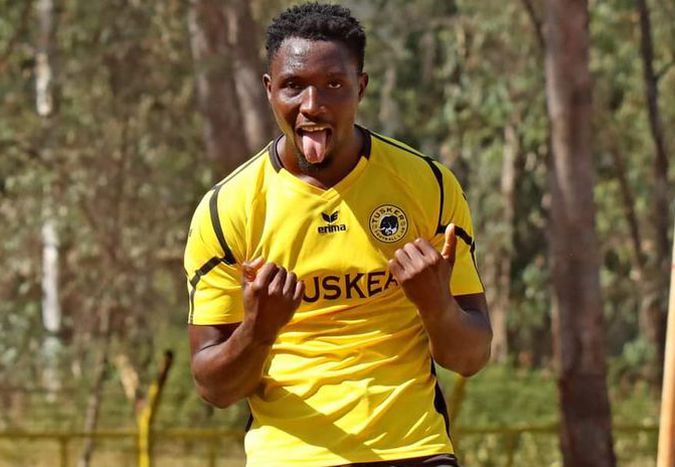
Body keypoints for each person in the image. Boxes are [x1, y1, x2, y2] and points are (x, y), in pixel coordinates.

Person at [184, 3, 492, 466]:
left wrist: (437, 305)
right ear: (269, 90)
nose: (312, 105)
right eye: (293, 86)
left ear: (360, 87)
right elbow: (215, 389)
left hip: (414, 450)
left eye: (333, 85)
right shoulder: (228, 210)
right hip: (290, 457)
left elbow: (470, 358)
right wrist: (258, 329)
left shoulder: (429, 186)